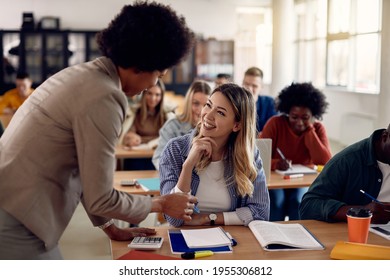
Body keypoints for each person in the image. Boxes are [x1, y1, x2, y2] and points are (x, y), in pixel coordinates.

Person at [0, 1, 197, 260]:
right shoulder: (105, 96)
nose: (152, 85)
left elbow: (86, 173)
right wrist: (160, 204)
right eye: (158, 76)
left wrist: (109, 226)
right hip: (17, 219)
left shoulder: (85, 75)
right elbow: (102, 197)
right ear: (142, 63)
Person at [159, 83, 270, 227]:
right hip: (184, 236)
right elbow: (173, 218)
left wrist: (208, 218)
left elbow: (261, 212)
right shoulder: (175, 149)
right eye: (208, 105)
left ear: (237, 125)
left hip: (230, 238)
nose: (207, 115)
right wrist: (188, 166)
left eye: (221, 112)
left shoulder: (249, 155)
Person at [260, 82, 332, 221]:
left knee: (299, 202)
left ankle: (298, 238)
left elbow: (326, 161)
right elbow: (258, 159)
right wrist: (276, 164)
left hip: (301, 180)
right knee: (275, 202)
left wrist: (310, 131)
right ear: (287, 113)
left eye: (305, 117)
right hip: (276, 178)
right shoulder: (275, 123)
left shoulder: (317, 129)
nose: (299, 122)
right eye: (294, 117)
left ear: (314, 115)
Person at [299, 124, 390, 224]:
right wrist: (360, 212)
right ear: (385, 137)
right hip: (355, 234)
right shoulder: (347, 160)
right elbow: (308, 206)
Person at [152, 80, 211, 169]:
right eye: (196, 103)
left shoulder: (214, 128)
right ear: (188, 103)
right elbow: (159, 158)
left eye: (206, 105)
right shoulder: (172, 126)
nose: (201, 110)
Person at [119, 79, 173, 148]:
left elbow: (169, 136)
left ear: (162, 97)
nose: (153, 98)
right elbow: (129, 133)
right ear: (144, 94)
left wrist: (142, 139)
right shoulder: (135, 112)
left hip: (160, 152)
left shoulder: (167, 114)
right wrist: (130, 137)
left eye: (157, 95)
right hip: (138, 153)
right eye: (149, 93)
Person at [242, 67, 277, 135]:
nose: (249, 88)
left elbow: (274, 130)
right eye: (246, 84)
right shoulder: (234, 103)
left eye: (254, 86)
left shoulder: (270, 103)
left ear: (261, 87)